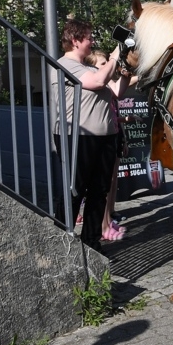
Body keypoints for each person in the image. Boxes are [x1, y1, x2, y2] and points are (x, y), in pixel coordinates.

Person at [57, 19, 123, 252]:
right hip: (78, 137)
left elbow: (116, 90)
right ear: (75, 40)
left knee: (99, 192)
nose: (93, 41)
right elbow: (98, 81)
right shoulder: (63, 65)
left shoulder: (90, 67)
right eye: (89, 38)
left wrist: (125, 70)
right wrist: (116, 55)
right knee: (75, 191)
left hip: (105, 137)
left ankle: (91, 243)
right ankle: (61, 243)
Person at [86, 49, 126, 242]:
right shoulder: (94, 79)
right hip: (97, 136)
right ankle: (101, 226)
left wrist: (127, 74)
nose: (107, 66)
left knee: (109, 182)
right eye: (103, 63)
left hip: (112, 133)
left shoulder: (106, 81)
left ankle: (107, 221)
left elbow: (118, 92)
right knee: (101, 185)